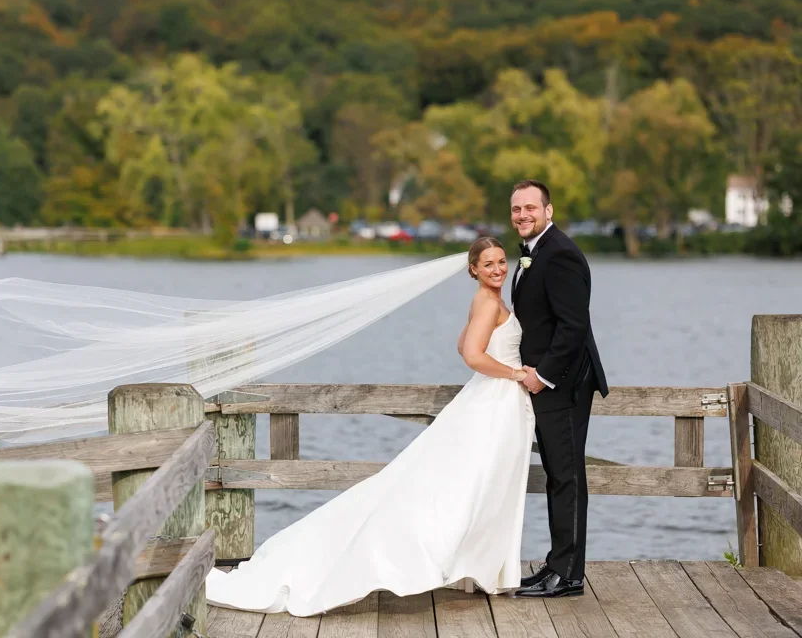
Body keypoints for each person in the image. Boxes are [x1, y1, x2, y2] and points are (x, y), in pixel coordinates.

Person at [205, 234, 537, 616]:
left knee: (473, 484)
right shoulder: (487, 302)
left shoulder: (487, 301)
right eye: (489, 264)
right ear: (473, 269)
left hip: (488, 402)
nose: (497, 269)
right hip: (492, 404)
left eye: (501, 261)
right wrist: (514, 372)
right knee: (473, 485)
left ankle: (474, 565)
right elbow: (474, 357)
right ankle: (464, 565)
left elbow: (463, 346)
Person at [508, 179, 608, 599]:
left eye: (531, 207)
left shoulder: (561, 254)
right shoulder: (536, 253)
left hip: (564, 384)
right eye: (516, 209)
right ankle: (555, 564)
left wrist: (542, 375)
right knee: (556, 475)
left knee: (566, 476)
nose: (523, 214)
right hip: (548, 384)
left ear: (549, 211)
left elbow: (573, 327)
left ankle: (568, 576)